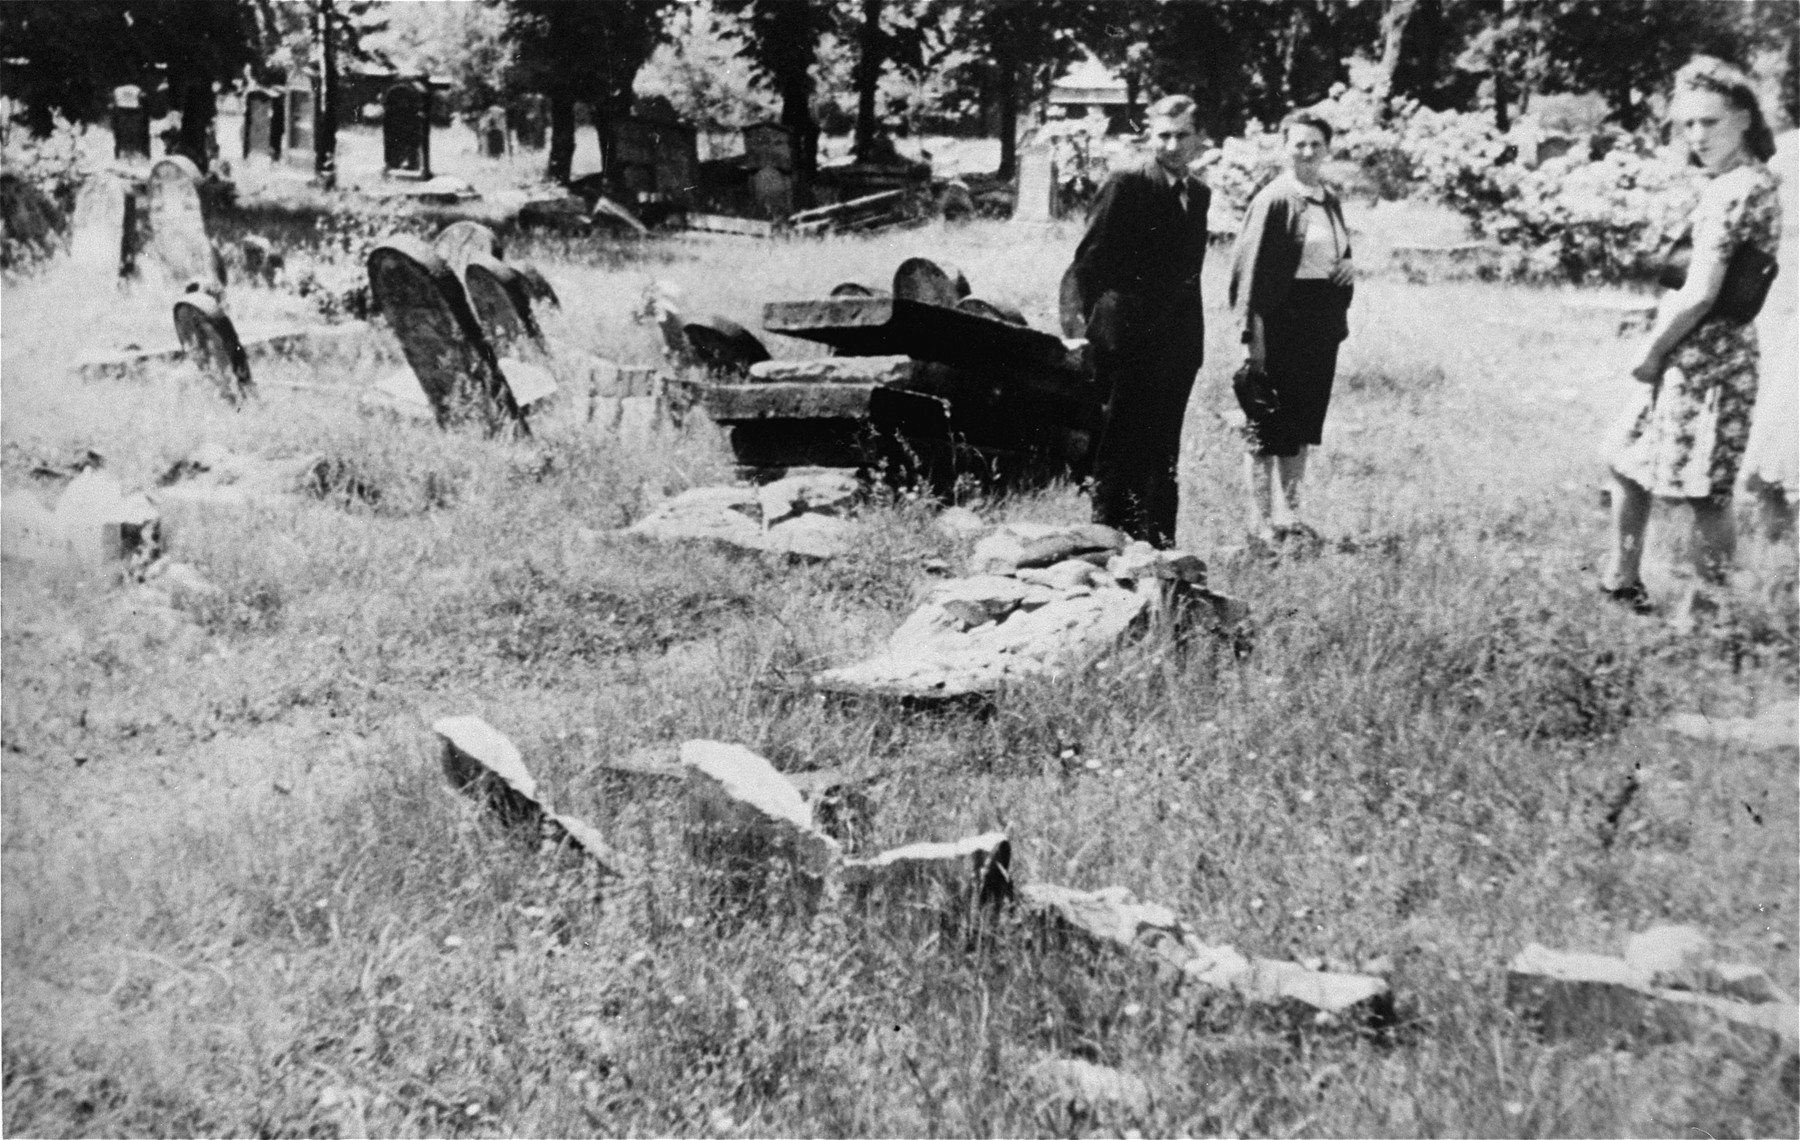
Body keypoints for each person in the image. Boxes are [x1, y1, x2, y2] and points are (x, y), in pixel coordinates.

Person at [1601, 56, 1783, 613]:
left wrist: (1652, 352)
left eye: (1711, 122)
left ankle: (1706, 620)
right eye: (1688, 124)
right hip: (1710, 349)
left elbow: (1702, 292)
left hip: (1705, 353)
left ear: (1745, 118)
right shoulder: (1748, 180)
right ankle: (1622, 585)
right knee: (1628, 462)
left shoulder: (1735, 189)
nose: (1697, 135)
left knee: (1705, 493)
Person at [1067, 94, 1211, 549]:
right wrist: (1094, 329)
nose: (1170, 144)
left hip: (1177, 342)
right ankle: (1106, 544)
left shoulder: (1198, 194)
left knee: (1163, 448)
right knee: (1119, 443)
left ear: (1199, 140)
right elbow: (1089, 260)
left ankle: (1158, 548)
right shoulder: (1127, 183)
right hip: (1126, 339)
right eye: (1162, 134)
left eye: (1181, 135)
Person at [1226, 112, 1355, 546]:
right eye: (1298, 144)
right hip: (1280, 321)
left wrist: (1348, 265)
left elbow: (1337, 249)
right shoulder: (1274, 200)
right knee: (1266, 427)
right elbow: (1249, 273)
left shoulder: (1329, 198)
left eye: (1315, 144)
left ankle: (1290, 517)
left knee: (1301, 424)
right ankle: (1259, 524)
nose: (1307, 152)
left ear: (1327, 149)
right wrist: (1252, 339)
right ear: (1285, 148)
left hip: (1318, 324)